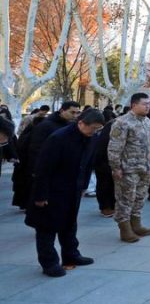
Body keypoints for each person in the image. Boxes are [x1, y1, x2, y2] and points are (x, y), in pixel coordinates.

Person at [24, 109, 105, 277]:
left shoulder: (92, 138)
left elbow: (89, 163)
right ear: (81, 123)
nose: (95, 132)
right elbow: (43, 168)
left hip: (73, 188)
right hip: (52, 190)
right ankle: (49, 263)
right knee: (47, 227)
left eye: (98, 129)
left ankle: (71, 255)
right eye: (94, 128)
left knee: (69, 223)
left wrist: (83, 185)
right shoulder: (58, 138)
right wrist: (40, 195)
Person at [107, 93, 150, 242]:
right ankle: (124, 228)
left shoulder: (147, 121)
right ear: (134, 105)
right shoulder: (122, 122)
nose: (148, 106)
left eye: (149, 104)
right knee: (125, 199)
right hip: (128, 169)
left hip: (145, 167)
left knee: (140, 197)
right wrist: (116, 167)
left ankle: (136, 224)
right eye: (145, 104)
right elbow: (114, 148)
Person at [15, 101, 81, 210]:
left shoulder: (71, 125)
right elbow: (36, 149)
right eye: (72, 112)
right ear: (62, 111)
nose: (74, 116)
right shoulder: (45, 125)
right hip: (45, 169)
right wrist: (36, 170)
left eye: (77, 113)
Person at [92, 121, 116, 217]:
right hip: (103, 162)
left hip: (111, 162)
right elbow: (101, 150)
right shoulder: (109, 131)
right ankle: (105, 207)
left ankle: (112, 205)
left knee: (112, 185)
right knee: (105, 185)